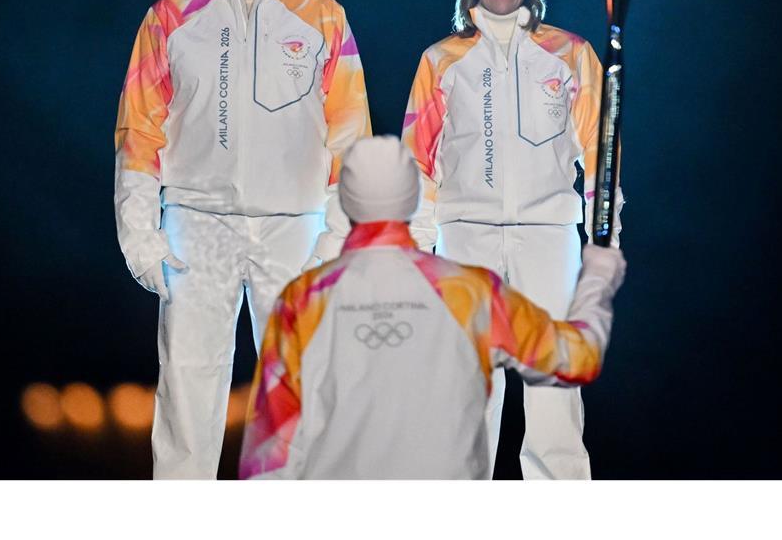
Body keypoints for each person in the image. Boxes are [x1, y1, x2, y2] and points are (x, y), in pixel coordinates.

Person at [113, 0, 371, 479]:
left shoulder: (323, 17)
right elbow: (138, 133)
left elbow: (350, 134)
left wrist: (337, 236)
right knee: (187, 387)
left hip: (296, 226)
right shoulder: (169, 19)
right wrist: (140, 237)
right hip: (197, 224)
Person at [239, 136, 626, 479]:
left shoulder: (302, 301)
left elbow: (269, 454)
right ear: (414, 197)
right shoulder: (470, 293)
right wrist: (597, 278)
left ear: (345, 200)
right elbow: (577, 358)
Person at [400, 0, 624, 479]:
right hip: (465, 240)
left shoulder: (571, 55)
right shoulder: (440, 61)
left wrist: (605, 236)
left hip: (548, 240)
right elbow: (418, 162)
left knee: (554, 400)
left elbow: (601, 152)